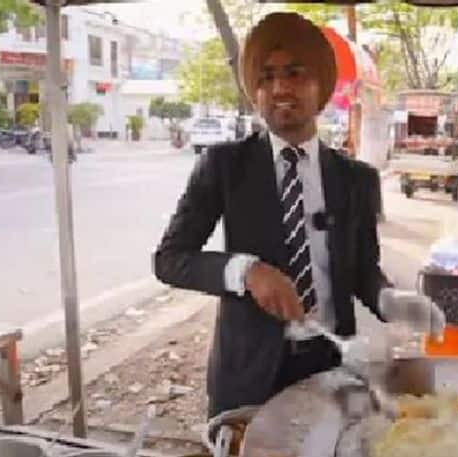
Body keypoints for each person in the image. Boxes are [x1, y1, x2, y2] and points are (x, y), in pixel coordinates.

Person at [153, 12, 440, 419]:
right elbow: (171, 260)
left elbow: (362, 270)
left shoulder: (356, 179)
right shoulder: (224, 166)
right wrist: (245, 271)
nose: (280, 88)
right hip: (248, 376)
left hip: (332, 366)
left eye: (294, 73)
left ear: (321, 85)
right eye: (266, 77)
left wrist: (390, 299)